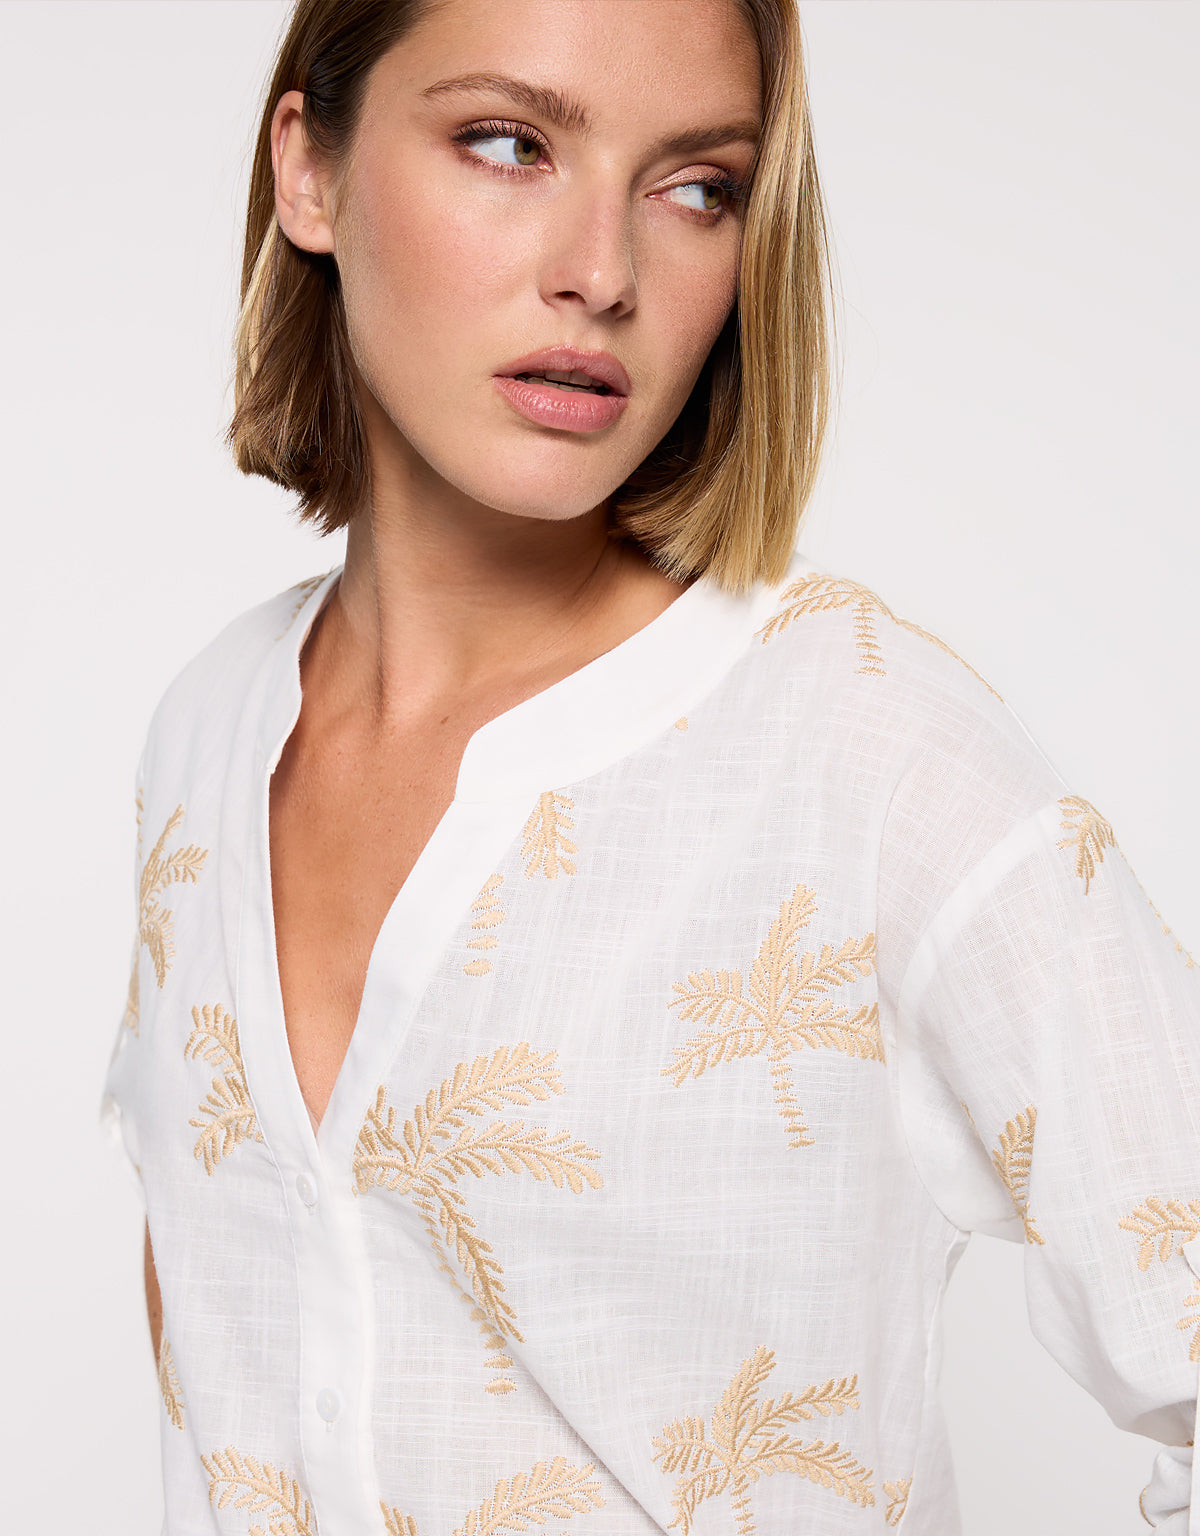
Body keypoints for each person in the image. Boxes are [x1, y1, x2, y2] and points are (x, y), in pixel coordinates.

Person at [101, 0, 1199, 1531]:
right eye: (509, 143)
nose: (602, 272)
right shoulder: (205, 732)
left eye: (697, 187)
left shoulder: (866, 749)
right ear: (311, 171)